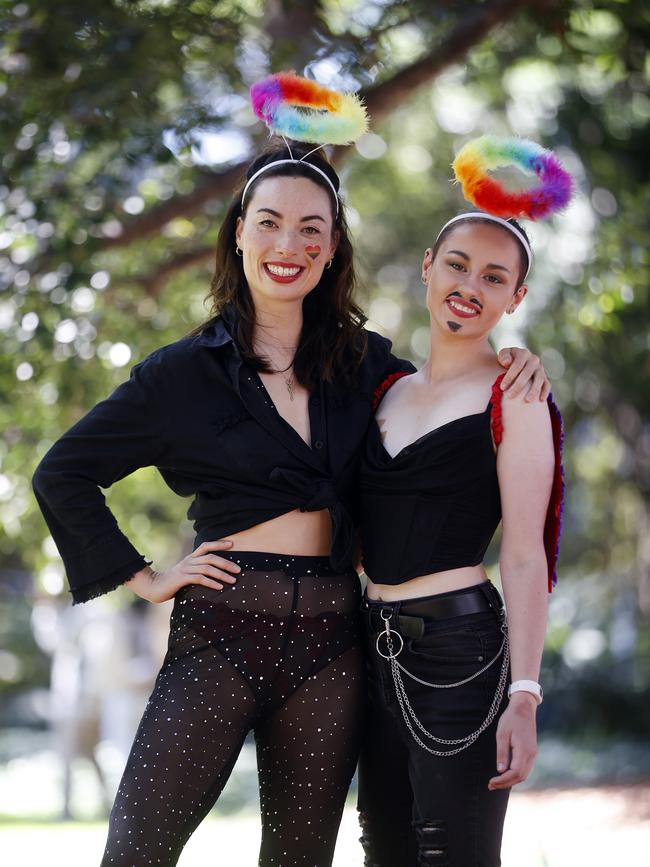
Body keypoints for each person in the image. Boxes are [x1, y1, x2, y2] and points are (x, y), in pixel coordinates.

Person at [32, 143, 549, 867]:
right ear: (239, 230)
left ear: (333, 246)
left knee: (299, 859)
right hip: (221, 629)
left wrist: (516, 360)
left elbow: (446, 397)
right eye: (270, 222)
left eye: (313, 227)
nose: (289, 244)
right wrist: (142, 575)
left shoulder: (368, 365)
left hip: (334, 645)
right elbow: (64, 471)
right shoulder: (181, 373)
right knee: (137, 850)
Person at [357, 212, 564, 867]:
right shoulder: (383, 389)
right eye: (457, 264)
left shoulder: (517, 394)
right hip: (367, 648)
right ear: (428, 265)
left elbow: (526, 554)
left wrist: (524, 696)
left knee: (456, 856)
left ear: (516, 297)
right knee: (384, 852)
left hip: (459, 657)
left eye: (493, 276)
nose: (469, 284)